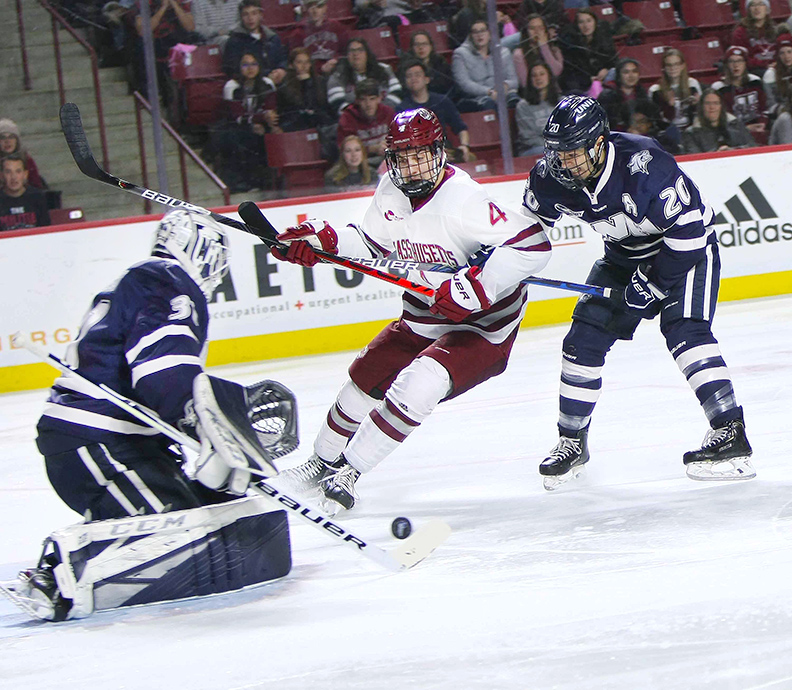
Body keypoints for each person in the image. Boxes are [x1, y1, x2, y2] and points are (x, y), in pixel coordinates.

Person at [5, 210, 292, 620]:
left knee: (206, 518)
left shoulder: (147, 277)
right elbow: (162, 369)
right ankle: (59, 572)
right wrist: (195, 415)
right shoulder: (168, 281)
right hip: (97, 441)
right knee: (176, 531)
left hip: (124, 444)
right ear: (203, 250)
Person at [270, 108, 552, 513]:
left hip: (483, 328)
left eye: (421, 154)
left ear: (439, 151)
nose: (413, 165)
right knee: (364, 377)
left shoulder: (465, 199)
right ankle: (321, 462)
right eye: (404, 156)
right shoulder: (390, 189)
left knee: (421, 383)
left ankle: (348, 471)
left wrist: (477, 287)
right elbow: (371, 245)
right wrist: (326, 242)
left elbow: (533, 245)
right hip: (424, 314)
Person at [523, 95, 754, 490]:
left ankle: (730, 432)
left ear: (598, 143)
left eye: (574, 152)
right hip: (623, 258)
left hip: (687, 251)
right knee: (583, 339)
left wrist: (654, 284)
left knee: (685, 331)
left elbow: (689, 231)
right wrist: (494, 262)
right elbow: (526, 232)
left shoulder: (643, 163)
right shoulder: (550, 178)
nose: (564, 162)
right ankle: (571, 440)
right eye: (559, 153)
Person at [211, 52, 279, 192]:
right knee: (241, 138)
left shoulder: (267, 83)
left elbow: (271, 110)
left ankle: (269, 181)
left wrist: (271, 123)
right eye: (245, 64)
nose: (250, 68)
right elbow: (238, 116)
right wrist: (259, 120)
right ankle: (242, 182)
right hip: (235, 128)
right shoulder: (232, 86)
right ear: (239, 67)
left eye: (254, 64)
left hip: (260, 125)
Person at [397, 60, 472, 163]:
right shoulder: (402, 109)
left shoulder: (442, 101)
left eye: (417, 75)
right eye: (409, 76)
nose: (413, 78)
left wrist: (464, 146)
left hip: (445, 149)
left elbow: (461, 128)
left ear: (427, 79)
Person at [452, 19, 521, 112]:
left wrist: (505, 85)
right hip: (478, 98)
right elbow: (464, 84)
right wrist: (488, 91)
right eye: (475, 32)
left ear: (489, 33)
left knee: (515, 101)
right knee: (488, 103)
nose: (479, 35)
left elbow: (514, 80)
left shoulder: (503, 52)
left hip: (504, 94)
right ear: (470, 36)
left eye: (483, 30)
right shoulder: (460, 54)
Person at [326, 37, 403, 114]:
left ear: (367, 53)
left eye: (360, 50)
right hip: (354, 121)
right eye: (352, 51)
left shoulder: (384, 69)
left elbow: (397, 92)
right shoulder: (338, 75)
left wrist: (380, 112)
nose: (356, 54)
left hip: (385, 116)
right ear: (347, 55)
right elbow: (337, 103)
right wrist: (361, 115)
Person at [222, 0, 288, 83]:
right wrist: (267, 75)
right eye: (246, 14)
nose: (250, 18)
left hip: (277, 81)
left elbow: (282, 58)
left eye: (254, 13)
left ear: (260, 15)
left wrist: (281, 69)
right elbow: (232, 68)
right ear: (241, 17)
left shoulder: (272, 37)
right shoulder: (234, 41)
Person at [336, 78, 396, 168]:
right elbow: (343, 148)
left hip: (387, 160)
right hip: (359, 164)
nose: (368, 104)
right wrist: (372, 149)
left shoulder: (388, 112)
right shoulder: (347, 118)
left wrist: (390, 145)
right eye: (363, 100)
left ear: (379, 99)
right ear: (357, 101)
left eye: (372, 99)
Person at [712, 45, 769, 139]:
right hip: (734, 134)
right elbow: (722, 119)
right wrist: (745, 128)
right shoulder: (719, 88)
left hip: (760, 128)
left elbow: (764, 107)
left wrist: (763, 123)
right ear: (726, 65)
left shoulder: (755, 81)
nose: (736, 65)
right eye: (732, 61)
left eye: (739, 61)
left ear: (745, 63)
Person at [557, 8, 617, 96]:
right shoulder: (572, 45)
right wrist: (589, 79)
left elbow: (614, 60)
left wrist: (606, 70)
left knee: (616, 71)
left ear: (595, 22)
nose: (586, 26)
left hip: (604, 78)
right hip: (583, 84)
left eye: (589, 21)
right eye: (581, 22)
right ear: (577, 25)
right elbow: (571, 70)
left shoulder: (604, 39)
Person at [276, 46, 335, 132]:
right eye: (299, 62)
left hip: (320, 126)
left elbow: (323, 107)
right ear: (291, 65)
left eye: (307, 62)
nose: (304, 66)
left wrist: (308, 82)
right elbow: (295, 110)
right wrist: (304, 83)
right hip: (295, 128)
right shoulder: (284, 87)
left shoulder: (320, 82)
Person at [681, 88, 756, 153]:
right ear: (701, 107)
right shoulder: (691, 133)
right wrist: (717, 154)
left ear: (721, 106)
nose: (712, 107)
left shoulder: (735, 124)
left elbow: (753, 147)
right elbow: (694, 158)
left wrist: (732, 151)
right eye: (707, 103)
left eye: (716, 103)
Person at [287, 0, 349, 76]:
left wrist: (336, 61)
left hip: (337, 70)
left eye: (319, 6)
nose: (315, 11)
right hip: (311, 75)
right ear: (305, 9)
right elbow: (296, 62)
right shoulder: (297, 34)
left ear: (325, 7)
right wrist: (320, 68)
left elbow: (346, 51)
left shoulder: (337, 27)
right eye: (311, 7)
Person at [648, 48, 702, 133]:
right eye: (669, 65)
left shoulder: (692, 84)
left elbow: (699, 114)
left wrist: (696, 105)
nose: (673, 68)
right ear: (663, 68)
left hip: (691, 132)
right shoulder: (655, 90)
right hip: (667, 133)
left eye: (676, 64)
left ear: (682, 66)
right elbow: (657, 122)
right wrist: (669, 106)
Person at [508, 13, 564, 90]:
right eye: (532, 28)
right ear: (526, 32)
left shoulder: (555, 50)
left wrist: (544, 46)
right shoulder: (519, 54)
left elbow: (556, 72)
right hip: (532, 95)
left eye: (540, 28)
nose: (537, 32)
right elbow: (525, 83)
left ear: (545, 30)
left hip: (554, 93)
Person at [515, 61, 560, 156]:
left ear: (549, 77)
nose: (538, 78)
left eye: (542, 74)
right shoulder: (523, 106)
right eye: (534, 76)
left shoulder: (563, 102)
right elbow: (528, 137)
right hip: (534, 149)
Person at [730, 0, 785, 77]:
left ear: (767, 9)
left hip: (777, 66)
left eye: (761, 4)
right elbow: (741, 58)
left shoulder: (776, 29)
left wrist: (777, 63)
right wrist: (765, 65)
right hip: (755, 70)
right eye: (753, 5)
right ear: (748, 10)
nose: (757, 8)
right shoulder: (740, 32)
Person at [397, 29, 456, 99]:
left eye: (424, 44)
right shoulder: (406, 66)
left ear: (431, 46)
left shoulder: (441, 63)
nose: (421, 48)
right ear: (412, 48)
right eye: (417, 44)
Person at [0, 154, 50, 230]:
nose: (13, 177)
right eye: (8, 172)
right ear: (1, 175)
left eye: (18, 171)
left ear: (25, 174)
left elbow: (46, 229)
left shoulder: (37, 197)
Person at [0, 118, 46, 190]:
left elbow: (36, 185)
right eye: (2, 138)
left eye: (11, 137)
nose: (7, 141)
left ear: (17, 140)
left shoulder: (26, 159)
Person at [763, 35, 792, 115]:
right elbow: (771, 104)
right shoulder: (771, 74)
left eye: (789, 52)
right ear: (778, 55)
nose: (786, 57)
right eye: (782, 53)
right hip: (783, 115)